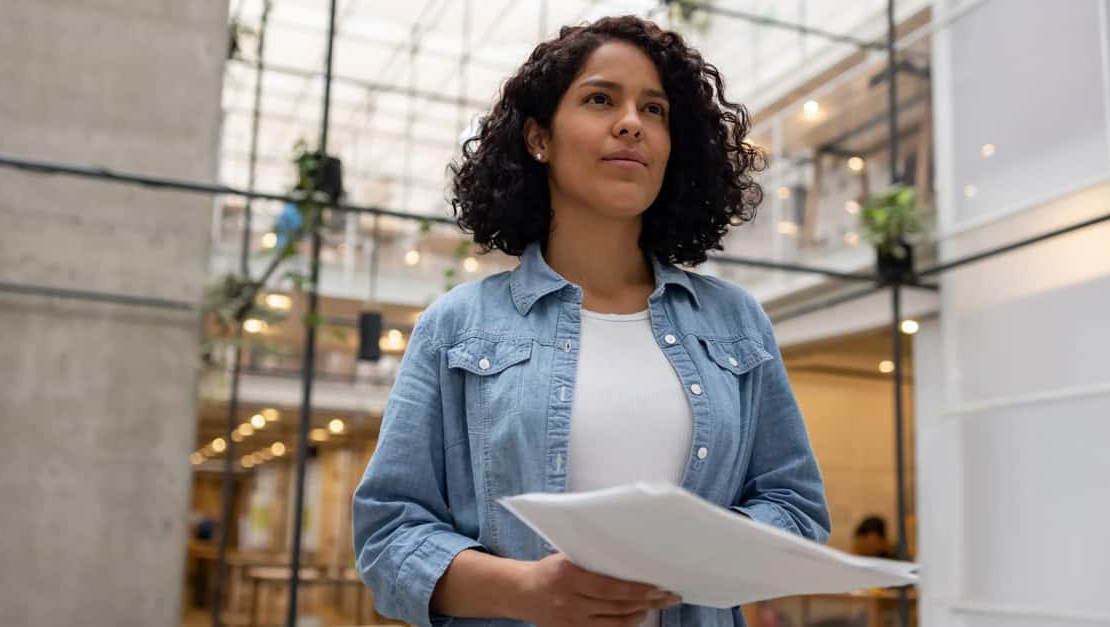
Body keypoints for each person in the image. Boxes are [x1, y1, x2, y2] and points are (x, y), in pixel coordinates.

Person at [353, 16, 830, 627]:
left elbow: (795, 508)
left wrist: (700, 552)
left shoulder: (734, 321)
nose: (632, 122)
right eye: (600, 99)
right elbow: (388, 535)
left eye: (654, 110)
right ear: (538, 138)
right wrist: (524, 590)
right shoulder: (458, 327)